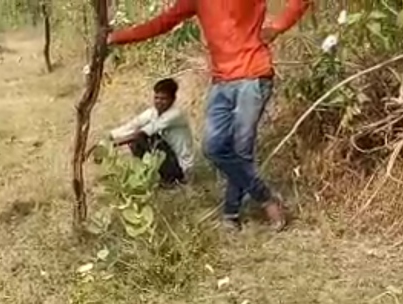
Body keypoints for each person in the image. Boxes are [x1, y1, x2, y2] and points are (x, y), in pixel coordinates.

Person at [108, 0, 310, 231]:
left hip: (253, 77)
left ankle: (231, 215)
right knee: (213, 148)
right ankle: (266, 198)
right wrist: (118, 37)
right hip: (222, 82)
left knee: (242, 151)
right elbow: (163, 22)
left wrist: (278, 26)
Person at [109, 78, 194, 187]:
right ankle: (150, 175)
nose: (159, 102)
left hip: (182, 167)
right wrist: (108, 137)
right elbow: (131, 126)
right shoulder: (152, 112)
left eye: (164, 99)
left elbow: (142, 133)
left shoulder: (176, 114)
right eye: (156, 98)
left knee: (143, 138)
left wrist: (112, 145)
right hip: (168, 158)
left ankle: (171, 180)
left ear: (173, 99)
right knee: (135, 140)